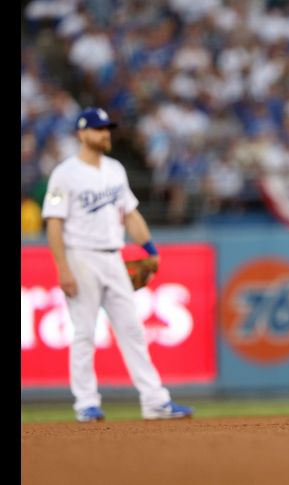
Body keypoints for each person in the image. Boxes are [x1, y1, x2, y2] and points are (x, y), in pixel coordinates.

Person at [41, 107, 194, 422]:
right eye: (98, 129)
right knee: (84, 332)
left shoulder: (115, 169)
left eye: (107, 129)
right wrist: (62, 268)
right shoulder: (64, 173)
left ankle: (154, 400)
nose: (105, 134)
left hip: (114, 256)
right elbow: (53, 223)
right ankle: (85, 403)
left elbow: (131, 214)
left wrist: (149, 248)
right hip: (80, 255)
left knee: (133, 331)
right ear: (82, 134)